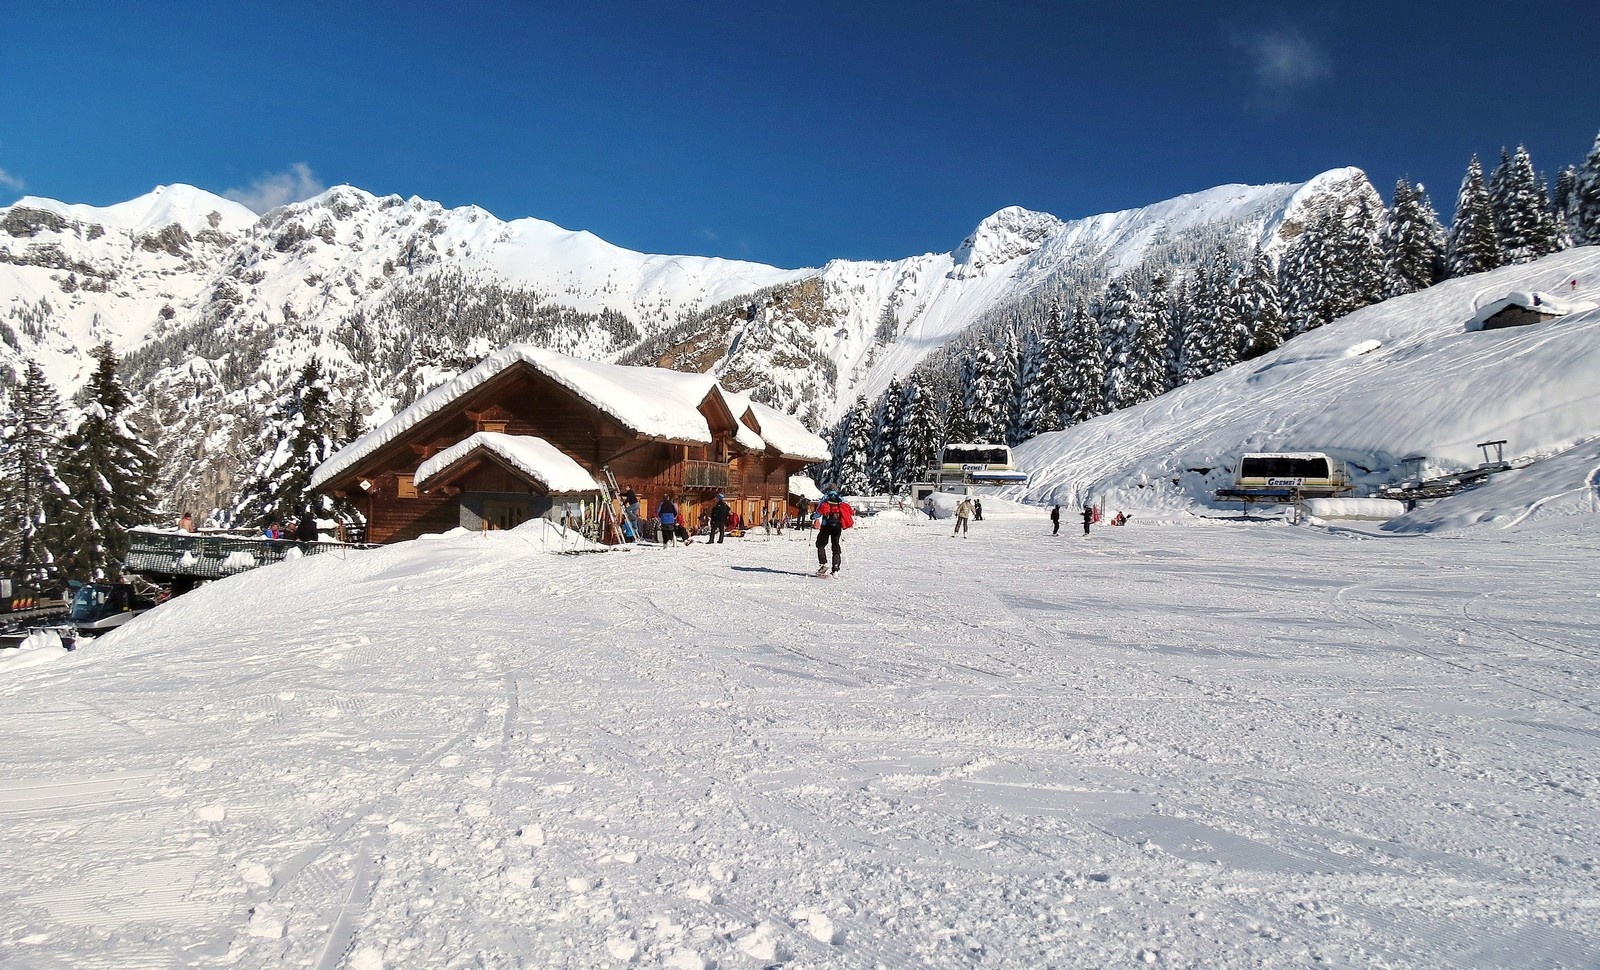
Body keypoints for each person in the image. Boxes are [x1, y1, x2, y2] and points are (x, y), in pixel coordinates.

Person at [811, 487, 854, 576]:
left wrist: (813, 517)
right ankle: (836, 568)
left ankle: (823, 564)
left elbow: (819, 511)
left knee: (820, 544)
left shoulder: (825, 498)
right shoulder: (840, 499)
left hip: (825, 526)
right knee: (835, 546)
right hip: (837, 526)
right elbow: (848, 511)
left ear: (828, 490)